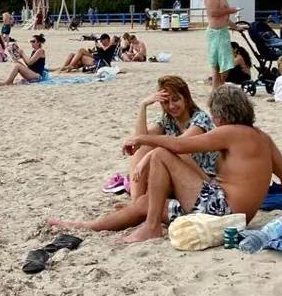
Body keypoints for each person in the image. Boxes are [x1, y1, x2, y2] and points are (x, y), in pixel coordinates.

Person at [113, 85, 282, 244]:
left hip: (222, 210)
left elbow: (179, 145)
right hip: (239, 217)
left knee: (160, 155)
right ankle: (91, 225)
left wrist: (142, 140)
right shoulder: (263, 137)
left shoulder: (229, 132)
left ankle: (151, 227)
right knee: (147, 203)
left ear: (221, 115)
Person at [92, 76, 216, 210]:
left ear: (185, 98)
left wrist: (148, 156)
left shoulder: (200, 119)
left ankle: (138, 207)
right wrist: (143, 106)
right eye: (166, 102)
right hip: (179, 173)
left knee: (162, 150)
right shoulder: (168, 120)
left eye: (175, 99)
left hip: (202, 178)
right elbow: (139, 139)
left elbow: (179, 145)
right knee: (143, 147)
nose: (171, 106)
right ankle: (136, 203)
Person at [204, 0, 239, 90]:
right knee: (220, 65)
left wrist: (236, 27)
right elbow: (213, 12)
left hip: (222, 31)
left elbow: (225, 17)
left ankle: (218, 88)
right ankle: (217, 89)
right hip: (216, 32)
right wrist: (231, 10)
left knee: (223, 64)